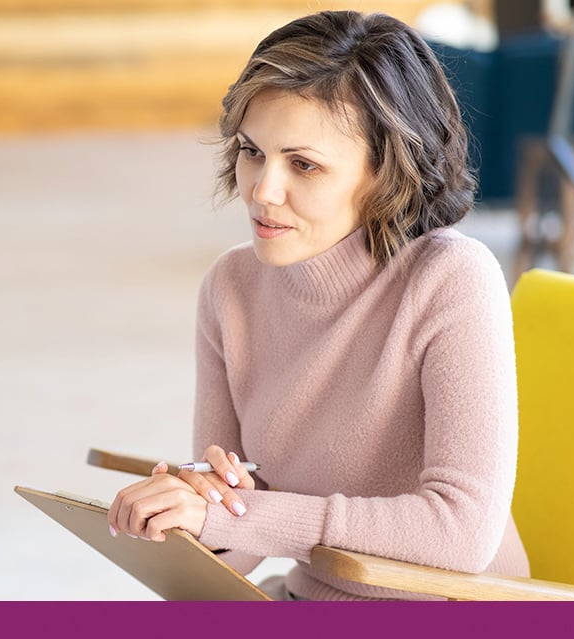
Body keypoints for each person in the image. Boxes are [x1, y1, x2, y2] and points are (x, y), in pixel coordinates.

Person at [107, 10, 530, 601]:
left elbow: (461, 533)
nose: (262, 190)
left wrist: (243, 516)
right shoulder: (230, 288)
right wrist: (194, 513)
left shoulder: (452, 279)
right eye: (253, 152)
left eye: (302, 164)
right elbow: (247, 534)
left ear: (388, 174)